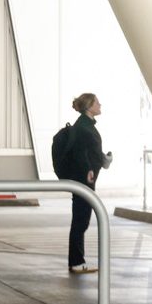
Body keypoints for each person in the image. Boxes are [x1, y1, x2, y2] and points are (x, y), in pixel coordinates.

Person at [57, 93, 107, 275]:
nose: (100, 104)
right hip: (83, 180)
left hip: (85, 179)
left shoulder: (85, 125)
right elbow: (80, 152)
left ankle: (77, 261)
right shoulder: (83, 127)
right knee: (80, 220)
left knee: (81, 219)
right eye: (97, 102)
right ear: (89, 106)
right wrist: (88, 169)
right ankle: (77, 262)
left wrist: (102, 161)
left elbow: (88, 151)